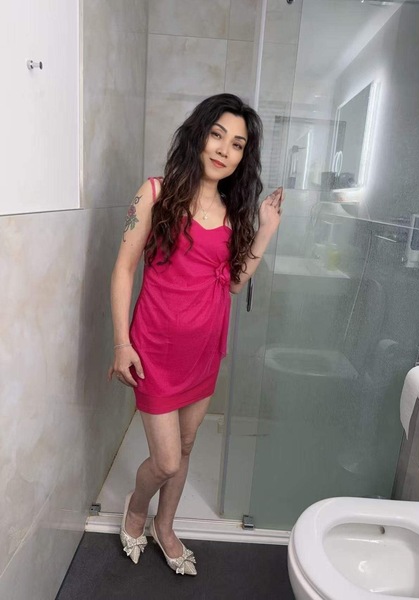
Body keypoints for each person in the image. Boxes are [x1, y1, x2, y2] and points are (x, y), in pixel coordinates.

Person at [108, 93, 283, 575]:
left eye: (238, 144)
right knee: (165, 460)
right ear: (198, 135)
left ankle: (165, 526)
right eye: (217, 134)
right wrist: (122, 343)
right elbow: (123, 269)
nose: (225, 149)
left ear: (244, 157)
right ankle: (137, 509)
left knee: (185, 448)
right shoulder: (155, 192)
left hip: (204, 354)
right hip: (154, 351)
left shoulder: (233, 212)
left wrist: (266, 229)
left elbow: (233, 282)